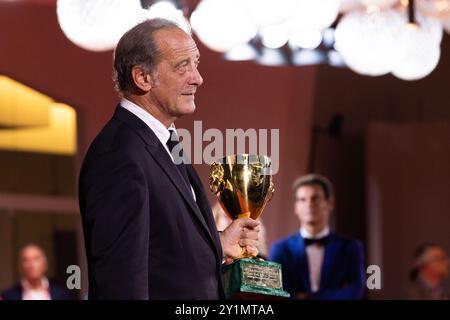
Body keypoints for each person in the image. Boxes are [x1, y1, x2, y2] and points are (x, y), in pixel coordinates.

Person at [78, 19, 260, 300]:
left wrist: (217, 242)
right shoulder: (119, 155)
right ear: (143, 78)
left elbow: (163, 252)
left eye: (196, 63)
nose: (198, 77)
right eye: (182, 66)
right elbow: (121, 282)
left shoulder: (160, 141)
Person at [269, 174, 365, 300]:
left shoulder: (351, 247)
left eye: (315, 198)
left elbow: (355, 290)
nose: (309, 204)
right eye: (302, 199)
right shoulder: (280, 249)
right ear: (296, 207)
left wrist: (311, 298)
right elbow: (275, 292)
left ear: (329, 203)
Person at [0, 244, 72, 300]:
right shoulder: (8, 296)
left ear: (45, 264)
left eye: (36, 259)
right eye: (26, 260)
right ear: (20, 267)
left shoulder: (62, 295)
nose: (31, 265)